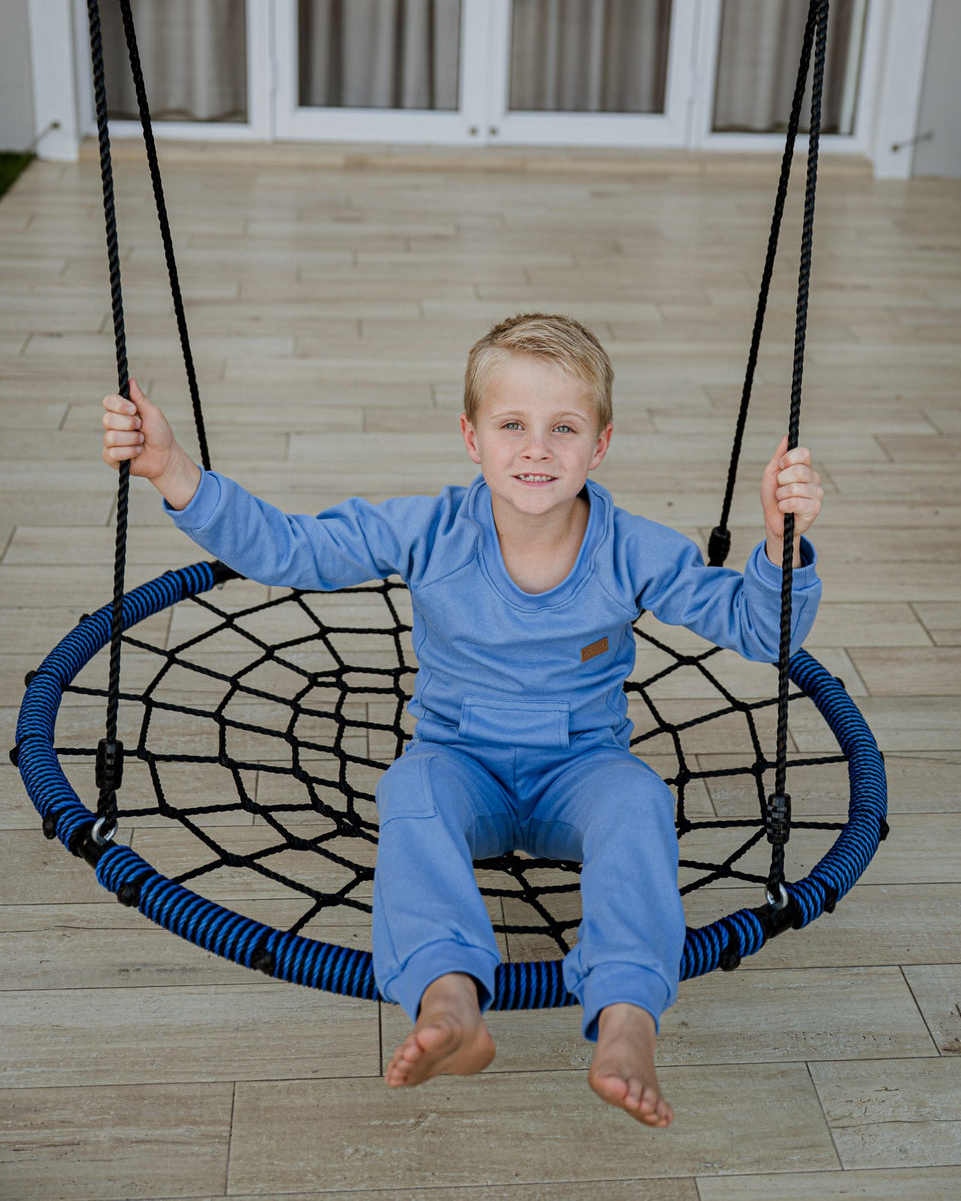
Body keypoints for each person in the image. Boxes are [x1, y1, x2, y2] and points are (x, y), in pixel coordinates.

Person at [101, 312, 823, 1129]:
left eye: (564, 427)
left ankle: (627, 1018)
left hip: (580, 771)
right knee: (410, 788)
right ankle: (449, 996)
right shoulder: (432, 529)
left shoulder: (632, 547)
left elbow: (764, 629)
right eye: (511, 424)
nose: (537, 449)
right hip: (460, 763)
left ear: (602, 444)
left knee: (638, 800)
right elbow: (287, 548)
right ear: (471, 438)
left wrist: (778, 544)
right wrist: (171, 469)